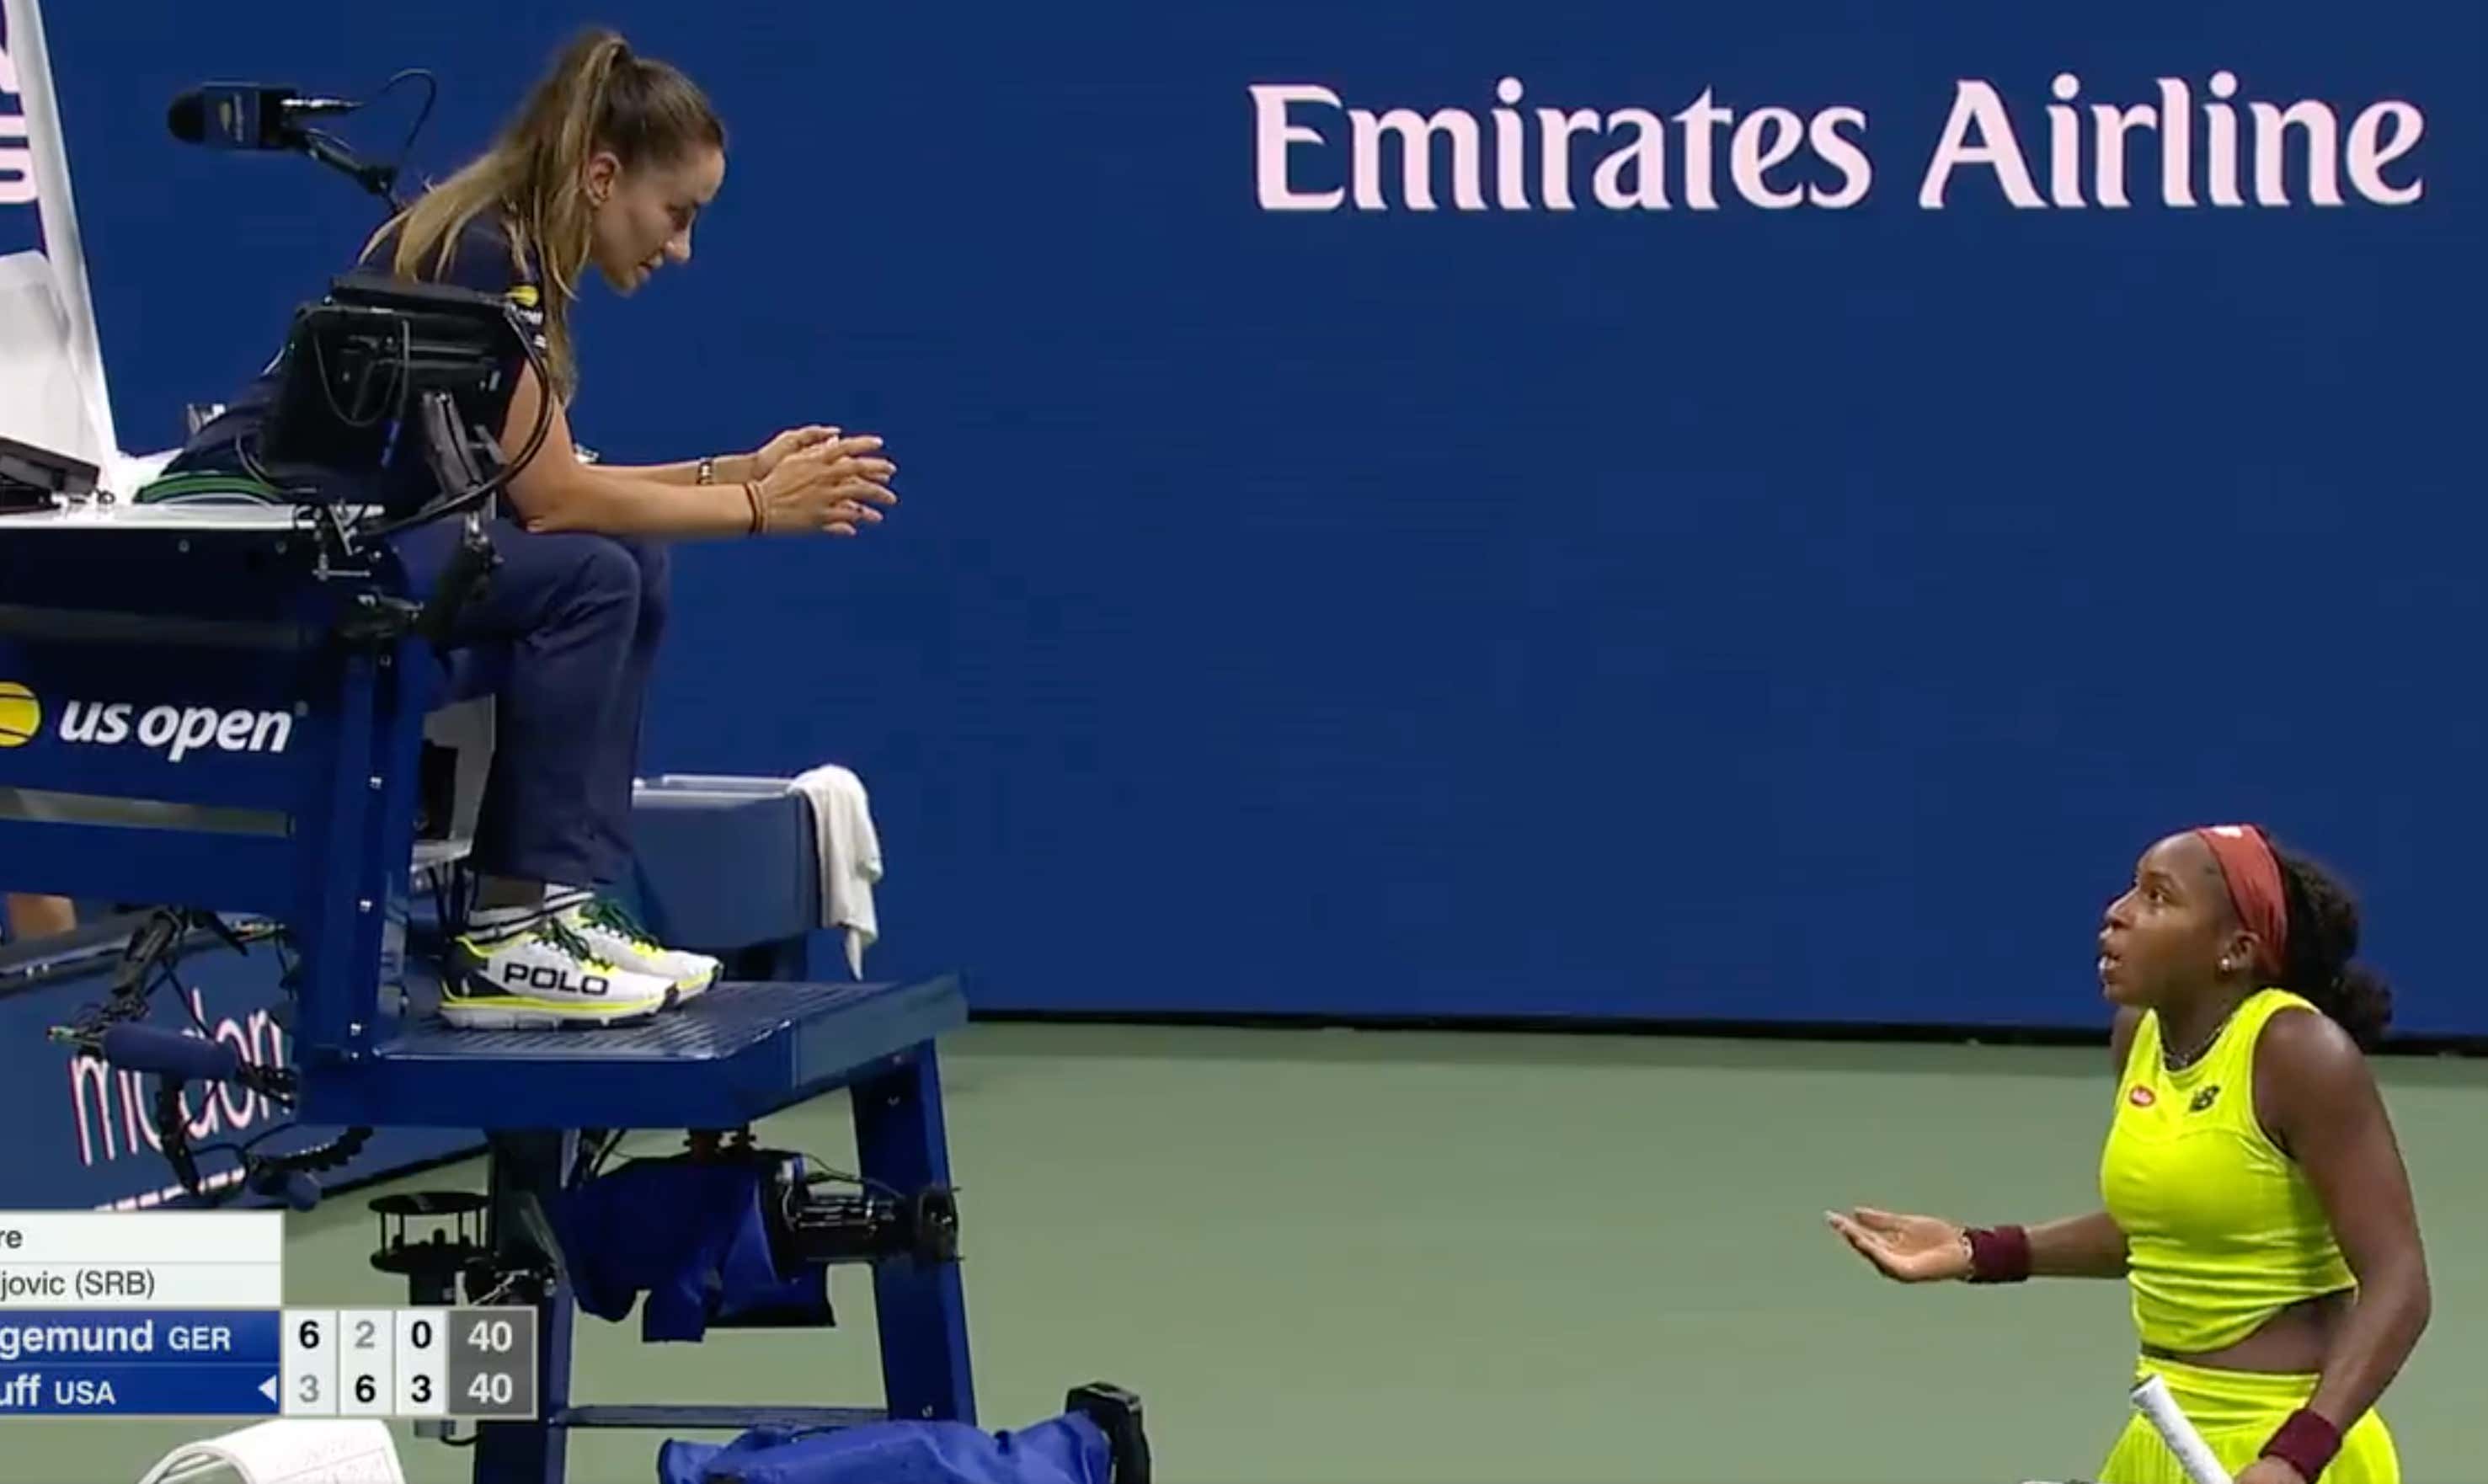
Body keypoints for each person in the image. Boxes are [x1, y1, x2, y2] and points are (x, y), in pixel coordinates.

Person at [154, 28, 899, 1029]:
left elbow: (543, 482)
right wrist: (762, 510)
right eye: (676, 214)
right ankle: (515, 928)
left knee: (627, 556)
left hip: (354, 536)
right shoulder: (480, 252)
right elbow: (552, 503)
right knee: (591, 572)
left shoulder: (512, 251)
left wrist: (736, 471)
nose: (681, 247)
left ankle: (556, 900)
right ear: (600, 175)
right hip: (268, 547)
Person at [1827, 825, 2431, 1484]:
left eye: (2157, 898)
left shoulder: (2298, 1052)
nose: (2117, 912)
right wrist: (1977, 1250)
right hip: (2165, 1426)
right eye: (2130, 889)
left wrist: (2296, 1455)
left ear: (2235, 950)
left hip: (2283, 1446)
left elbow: (2399, 1282)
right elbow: (2162, 1230)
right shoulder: (2140, 1035)